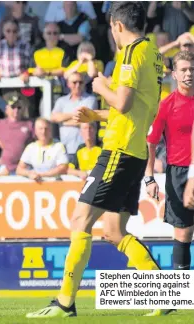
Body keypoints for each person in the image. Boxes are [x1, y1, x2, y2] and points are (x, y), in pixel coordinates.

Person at [27, 2, 166, 318]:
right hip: (133, 151)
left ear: (117, 26)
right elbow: (140, 108)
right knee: (114, 231)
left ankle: (65, 302)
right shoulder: (153, 54)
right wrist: (98, 114)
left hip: (118, 151)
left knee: (80, 221)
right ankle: (165, 294)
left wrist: (100, 82)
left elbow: (125, 102)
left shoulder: (131, 54)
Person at [146, 51, 194, 271]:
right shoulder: (166, 105)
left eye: (192, 69)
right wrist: (149, 178)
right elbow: (151, 142)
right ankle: (182, 292)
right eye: (183, 69)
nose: (188, 74)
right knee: (183, 233)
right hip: (178, 174)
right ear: (174, 74)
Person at [16, 118, 69, 182]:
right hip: (36, 187)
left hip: (55, 185)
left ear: (50, 130)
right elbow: (19, 169)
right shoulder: (30, 147)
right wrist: (29, 173)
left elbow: (63, 168)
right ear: (35, 131)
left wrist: (42, 175)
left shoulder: (59, 146)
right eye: (40, 129)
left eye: (46, 129)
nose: (43, 132)